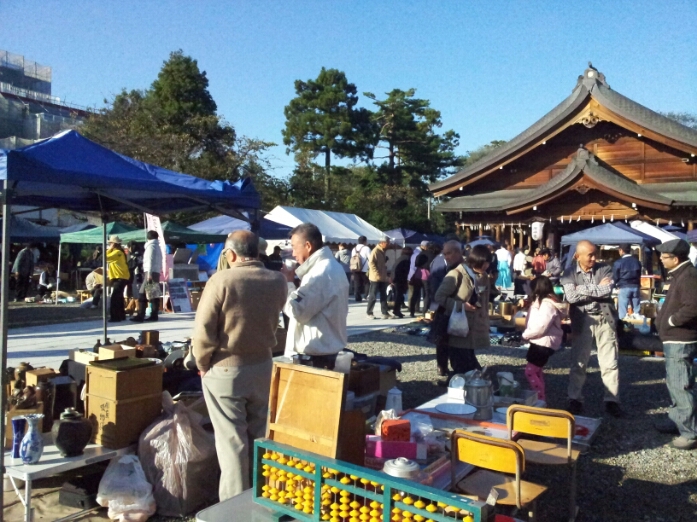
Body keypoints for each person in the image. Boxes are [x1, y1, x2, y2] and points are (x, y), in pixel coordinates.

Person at [192, 230, 287, 500]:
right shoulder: (277, 280)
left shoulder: (221, 280)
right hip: (264, 365)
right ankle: (267, 493)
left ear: (231, 254)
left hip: (226, 368)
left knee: (232, 442)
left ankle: (235, 507)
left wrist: (202, 363)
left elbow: (203, 331)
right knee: (261, 435)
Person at [560, 240, 621, 417]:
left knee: (610, 362)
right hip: (582, 320)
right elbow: (571, 296)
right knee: (579, 362)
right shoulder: (569, 271)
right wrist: (596, 289)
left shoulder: (605, 268)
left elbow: (606, 291)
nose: (594, 258)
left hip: (604, 319)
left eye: (595, 254)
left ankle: (612, 400)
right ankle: (575, 398)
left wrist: (582, 289)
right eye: (590, 255)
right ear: (578, 256)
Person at [281, 223, 349, 366]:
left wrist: (288, 283)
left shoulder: (321, 272)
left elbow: (297, 311)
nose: (293, 253)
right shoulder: (329, 266)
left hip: (316, 355)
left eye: (294, 247)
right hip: (323, 350)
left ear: (308, 246)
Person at [654, 239, 697, 450]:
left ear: (676, 258)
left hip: (681, 338)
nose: (661, 260)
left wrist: (670, 321)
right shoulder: (681, 274)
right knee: (675, 382)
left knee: (681, 385)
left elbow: (693, 307)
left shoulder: (688, 276)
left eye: (664, 257)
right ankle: (677, 420)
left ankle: (690, 432)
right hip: (675, 338)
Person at [434, 244, 491, 375]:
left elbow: (485, 300)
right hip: (458, 325)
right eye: (483, 263)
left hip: (474, 326)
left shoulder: (483, 276)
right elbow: (439, 297)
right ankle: (457, 387)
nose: (486, 266)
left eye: (487, 263)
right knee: (462, 363)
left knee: (469, 361)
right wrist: (460, 305)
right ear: (475, 261)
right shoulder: (457, 274)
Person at [522, 276, 565, 401]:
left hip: (543, 342)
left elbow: (541, 326)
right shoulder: (545, 301)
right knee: (537, 371)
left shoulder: (547, 305)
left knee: (530, 372)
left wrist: (526, 334)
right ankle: (540, 396)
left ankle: (540, 399)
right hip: (541, 341)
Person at [432, 240, 464, 376]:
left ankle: (453, 368)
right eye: (444, 254)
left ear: (458, 252)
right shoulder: (441, 264)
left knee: (451, 341)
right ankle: (443, 366)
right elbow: (435, 289)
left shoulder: (462, 267)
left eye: (449, 253)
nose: (446, 256)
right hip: (445, 308)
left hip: (452, 308)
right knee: (444, 340)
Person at [131, 231, 163, 323]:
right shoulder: (157, 247)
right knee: (154, 294)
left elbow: (149, 261)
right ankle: (154, 314)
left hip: (150, 272)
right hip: (156, 271)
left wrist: (148, 273)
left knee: (142, 293)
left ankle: (141, 314)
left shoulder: (150, 247)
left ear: (148, 238)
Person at [612, 244, 642, 319]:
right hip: (635, 286)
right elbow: (639, 274)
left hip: (624, 286)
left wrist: (615, 286)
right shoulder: (637, 261)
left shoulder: (618, 263)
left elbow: (615, 276)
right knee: (636, 312)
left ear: (621, 250)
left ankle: (623, 326)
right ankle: (637, 323)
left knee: (623, 312)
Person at [106, 235, 130, 322]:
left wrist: (109, 249)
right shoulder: (119, 252)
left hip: (120, 277)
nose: (109, 244)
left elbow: (105, 257)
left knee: (115, 297)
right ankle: (121, 315)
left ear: (114, 244)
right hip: (121, 276)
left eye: (110, 243)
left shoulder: (117, 252)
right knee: (119, 297)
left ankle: (115, 316)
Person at [367, 236, 391, 319]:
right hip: (375, 278)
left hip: (382, 277)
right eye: (387, 243)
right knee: (373, 295)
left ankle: (384, 312)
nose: (388, 245)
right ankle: (369, 312)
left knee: (383, 295)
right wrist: (376, 274)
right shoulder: (375, 251)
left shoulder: (382, 251)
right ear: (382, 243)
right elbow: (371, 263)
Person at [391, 247, 411, 318]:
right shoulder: (407, 259)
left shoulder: (401, 258)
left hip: (395, 278)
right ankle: (396, 310)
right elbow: (405, 271)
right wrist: (406, 281)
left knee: (398, 295)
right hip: (400, 279)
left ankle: (397, 310)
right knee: (399, 295)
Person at [408, 252, 430, 318]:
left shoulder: (418, 255)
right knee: (426, 294)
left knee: (415, 294)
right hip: (425, 275)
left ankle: (412, 311)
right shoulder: (427, 256)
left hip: (417, 274)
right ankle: (424, 311)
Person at [350, 236, 370, 302]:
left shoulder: (354, 249)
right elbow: (370, 258)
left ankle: (357, 297)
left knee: (357, 283)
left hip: (355, 268)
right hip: (364, 268)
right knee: (367, 282)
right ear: (365, 241)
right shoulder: (366, 248)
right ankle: (366, 295)